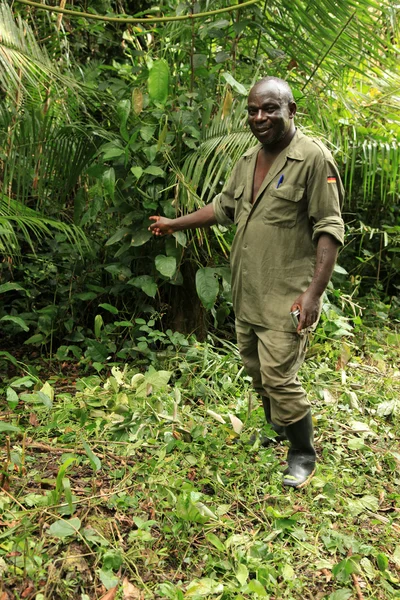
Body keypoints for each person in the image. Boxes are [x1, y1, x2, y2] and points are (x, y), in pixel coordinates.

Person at [149, 77, 345, 489]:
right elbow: (223, 207)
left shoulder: (313, 159)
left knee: (278, 377)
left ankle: (302, 454)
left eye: (270, 109)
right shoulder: (246, 161)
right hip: (248, 292)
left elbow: (328, 228)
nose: (260, 117)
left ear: (292, 111)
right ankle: (278, 428)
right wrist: (173, 224)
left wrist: (313, 295)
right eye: (253, 110)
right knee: (256, 371)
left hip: (287, 295)